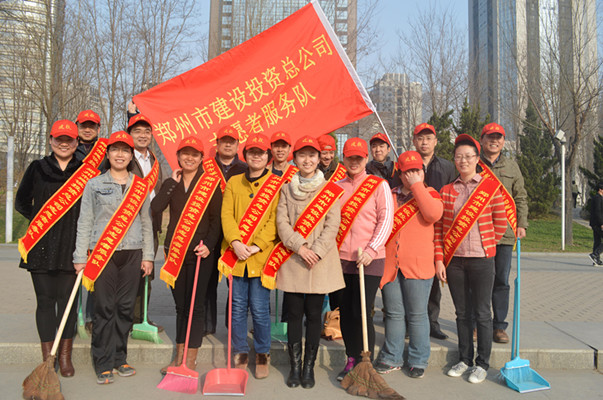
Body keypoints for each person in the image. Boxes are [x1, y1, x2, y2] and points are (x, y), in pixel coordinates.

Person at [73, 131, 154, 385]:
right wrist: (80, 256)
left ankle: (120, 357)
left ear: (131, 156)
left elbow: (146, 222)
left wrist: (148, 256)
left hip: (133, 253)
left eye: (125, 150)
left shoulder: (140, 186)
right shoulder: (94, 184)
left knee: (125, 307)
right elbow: (85, 221)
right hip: (103, 253)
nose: (120, 155)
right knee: (104, 307)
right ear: (107, 154)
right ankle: (103, 361)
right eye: (115, 150)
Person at [435, 134, 507, 384]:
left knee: (483, 313)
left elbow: (501, 223)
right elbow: (439, 229)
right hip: (455, 261)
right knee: (462, 313)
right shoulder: (447, 191)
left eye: (468, 156)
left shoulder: (490, 188)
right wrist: (439, 259)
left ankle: (482, 364)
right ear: (454, 160)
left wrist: (486, 245)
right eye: (459, 156)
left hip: (481, 260)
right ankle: (464, 359)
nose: (463, 160)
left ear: (477, 159)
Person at [274, 136, 345, 388]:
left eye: (312, 155)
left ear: (318, 159)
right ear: (295, 159)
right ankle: (294, 367)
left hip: (319, 260)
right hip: (294, 258)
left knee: (314, 315)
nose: (307, 160)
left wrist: (315, 250)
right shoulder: (286, 189)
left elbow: (332, 225)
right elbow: (281, 222)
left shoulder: (329, 190)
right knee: (294, 314)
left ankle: (308, 368)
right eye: (302, 155)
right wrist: (300, 247)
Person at [16, 120, 83, 377]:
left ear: (76, 142)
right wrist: (41, 222)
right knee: (45, 301)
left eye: (69, 140)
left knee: (67, 302)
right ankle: (49, 358)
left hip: (72, 246)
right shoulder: (37, 167)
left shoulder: (85, 171)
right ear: (51, 140)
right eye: (59, 139)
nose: (63, 144)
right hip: (41, 245)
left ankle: (64, 356)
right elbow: (21, 202)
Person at [152, 136, 222, 374]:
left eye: (194, 154)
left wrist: (209, 245)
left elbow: (216, 220)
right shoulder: (172, 183)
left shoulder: (210, 184)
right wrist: (170, 184)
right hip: (175, 252)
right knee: (181, 306)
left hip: (201, 254)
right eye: (185, 154)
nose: (189, 158)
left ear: (201, 158)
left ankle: (190, 358)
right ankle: (179, 356)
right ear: (178, 157)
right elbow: (155, 208)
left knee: (196, 306)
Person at [374, 151, 443, 379]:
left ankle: (418, 359)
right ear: (400, 174)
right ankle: (391, 356)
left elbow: (433, 214)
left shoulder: (430, 194)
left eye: (416, 170)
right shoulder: (389, 194)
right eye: (407, 172)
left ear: (423, 172)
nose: (412, 175)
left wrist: (417, 187)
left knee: (417, 314)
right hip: (391, 266)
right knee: (394, 313)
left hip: (418, 265)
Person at [218, 134, 280, 379]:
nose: (256, 156)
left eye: (261, 152)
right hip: (235, 256)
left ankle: (262, 353)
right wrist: (235, 242)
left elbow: (275, 220)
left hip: (260, 257)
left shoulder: (276, 184)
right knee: (237, 307)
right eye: (252, 152)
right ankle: (240, 351)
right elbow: (226, 215)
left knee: (260, 308)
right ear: (245, 155)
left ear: (268, 156)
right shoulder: (234, 182)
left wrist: (256, 246)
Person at [335, 137, 394, 382]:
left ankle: (364, 361)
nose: (354, 162)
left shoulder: (378, 185)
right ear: (343, 158)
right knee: (346, 312)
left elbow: (386, 219)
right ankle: (351, 358)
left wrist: (371, 249)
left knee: (362, 311)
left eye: (359, 158)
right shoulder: (336, 187)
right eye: (350, 157)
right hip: (341, 259)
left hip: (370, 260)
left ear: (366, 158)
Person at [479, 122, 528, 344]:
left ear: (503, 141)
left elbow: (520, 196)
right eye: (490, 137)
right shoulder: (474, 164)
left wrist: (522, 224)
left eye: (498, 137)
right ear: (482, 140)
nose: (494, 141)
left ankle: (499, 326)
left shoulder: (512, 166)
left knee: (501, 280)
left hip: (505, 235)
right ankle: (478, 323)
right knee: (479, 281)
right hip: (478, 234)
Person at [413, 122, 457, 340]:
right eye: (420, 138)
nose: (424, 142)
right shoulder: (406, 164)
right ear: (414, 141)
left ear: (436, 141)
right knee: (412, 277)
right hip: (413, 227)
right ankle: (411, 322)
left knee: (433, 278)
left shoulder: (447, 167)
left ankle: (432, 322)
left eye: (428, 138)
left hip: (437, 229)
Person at [204, 125, 248, 336]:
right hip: (210, 230)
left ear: (238, 145)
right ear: (217, 144)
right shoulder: (205, 168)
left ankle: (234, 327)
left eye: (232, 141)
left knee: (236, 284)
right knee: (208, 280)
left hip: (237, 232)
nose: (228, 145)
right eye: (224, 141)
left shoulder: (246, 168)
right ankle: (207, 325)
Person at [126, 114, 164, 332]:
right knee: (128, 275)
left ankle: (141, 319)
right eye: (137, 131)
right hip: (127, 226)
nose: (142, 135)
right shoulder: (123, 157)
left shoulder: (155, 161)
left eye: (147, 132)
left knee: (147, 272)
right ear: (130, 134)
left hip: (151, 225)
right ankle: (124, 318)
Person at [75, 109, 103, 334]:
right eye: (83, 125)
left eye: (91, 126)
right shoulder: (68, 148)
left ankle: (92, 316)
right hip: (71, 217)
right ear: (77, 127)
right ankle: (74, 316)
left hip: (97, 219)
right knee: (73, 270)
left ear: (98, 129)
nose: (87, 129)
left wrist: (130, 115)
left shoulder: (105, 152)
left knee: (95, 269)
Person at [588, 182, 603, 266]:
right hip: (598, 223)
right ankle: (595, 254)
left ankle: (595, 259)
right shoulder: (598, 198)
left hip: (595, 223)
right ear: (600, 189)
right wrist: (601, 223)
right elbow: (598, 212)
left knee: (597, 241)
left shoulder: (597, 197)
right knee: (597, 240)